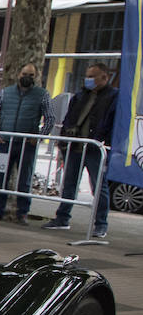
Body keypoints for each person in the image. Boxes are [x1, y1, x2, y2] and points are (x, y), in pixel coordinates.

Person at [42, 63, 118, 237]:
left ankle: (100, 224)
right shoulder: (80, 95)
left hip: (95, 147)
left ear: (104, 77)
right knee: (69, 184)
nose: (88, 79)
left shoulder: (114, 97)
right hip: (75, 146)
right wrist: (63, 141)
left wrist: (105, 143)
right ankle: (62, 218)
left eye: (92, 76)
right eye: (87, 75)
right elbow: (69, 117)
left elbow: (112, 122)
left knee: (99, 187)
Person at [0, 62, 52, 223]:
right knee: (1, 178)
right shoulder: (5, 93)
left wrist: (38, 137)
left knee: (25, 180)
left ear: (36, 77)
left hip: (26, 144)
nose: (27, 78)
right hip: (5, 142)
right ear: (18, 75)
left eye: (31, 75)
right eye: (24, 74)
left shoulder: (42, 94)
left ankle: (22, 213)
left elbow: (50, 118)